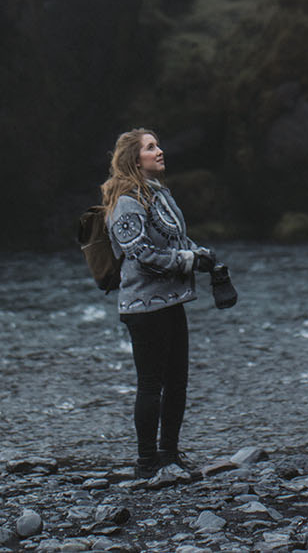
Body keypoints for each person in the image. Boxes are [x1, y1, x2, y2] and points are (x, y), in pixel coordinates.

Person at [100, 128, 214, 477]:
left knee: (177, 381)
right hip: (142, 308)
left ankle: (170, 455)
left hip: (171, 301)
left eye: (158, 145)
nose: (160, 151)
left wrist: (202, 255)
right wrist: (189, 262)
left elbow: (176, 238)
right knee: (151, 383)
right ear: (135, 160)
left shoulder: (159, 193)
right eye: (151, 148)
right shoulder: (125, 202)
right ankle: (146, 462)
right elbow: (143, 254)